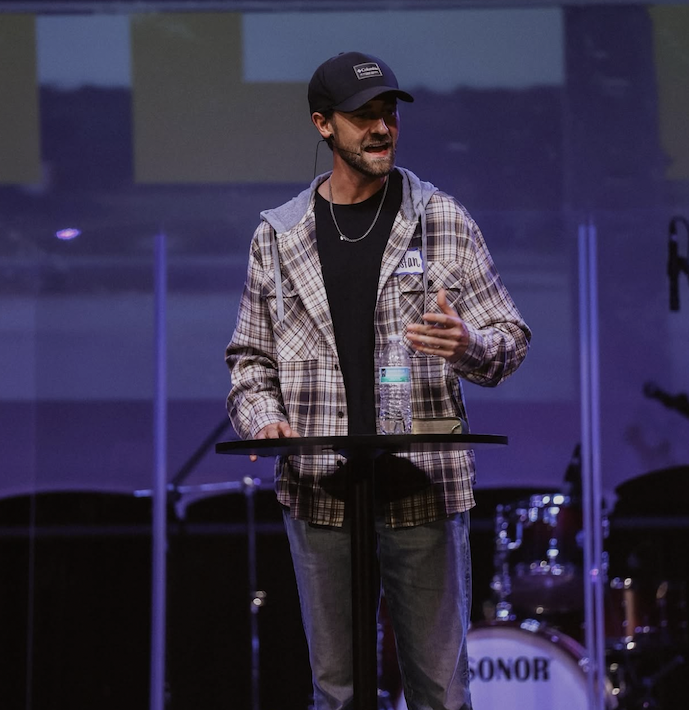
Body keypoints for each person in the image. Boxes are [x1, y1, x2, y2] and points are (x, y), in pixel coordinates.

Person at [226, 51, 531, 710]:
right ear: (323, 125)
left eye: (388, 112)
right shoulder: (279, 237)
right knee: (336, 694)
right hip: (320, 491)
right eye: (363, 116)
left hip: (422, 483)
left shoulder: (442, 218)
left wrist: (471, 344)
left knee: (440, 694)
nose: (382, 128)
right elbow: (249, 360)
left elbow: (509, 343)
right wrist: (263, 420)